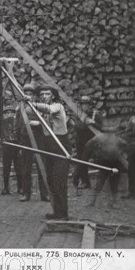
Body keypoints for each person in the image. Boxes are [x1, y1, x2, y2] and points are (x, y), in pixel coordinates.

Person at [28, 84, 71, 220]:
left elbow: (50, 110)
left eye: (47, 94)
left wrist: (31, 102)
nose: (44, 97)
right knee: (51, 181)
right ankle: (57, 212)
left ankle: (63, 214)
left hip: (60, 146)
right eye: (42, 95)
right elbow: (42, 121)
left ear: (52, 96)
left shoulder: (58, 106)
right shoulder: (43, 111)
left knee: (59, 180)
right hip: (49, 146)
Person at [16, 83, 49, 202]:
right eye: (26, 93)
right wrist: (19, 143)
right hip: (26, 139)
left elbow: (47, 121)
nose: (28, 96)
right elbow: (18, 125)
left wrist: (38, 124)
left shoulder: (40, 106)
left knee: (42, 166)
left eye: (30, 94)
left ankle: (45, 194)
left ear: (35, 96)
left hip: (40, 137)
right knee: (26, 167)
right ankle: (26, 193)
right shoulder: (20, 107)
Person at [83, 132, 128, 207]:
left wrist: (120, 152)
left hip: (115, 161)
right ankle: (93, 201)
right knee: (101, 181)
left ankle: (113, 202)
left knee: (113, 182)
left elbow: (125, 144)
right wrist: (96, 151)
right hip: (105, 161)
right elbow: (88, 144)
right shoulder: (100, 137)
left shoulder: (116, 137)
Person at [73, 95, 102, 189]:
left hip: (91, 141)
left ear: (90, 105)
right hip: (79, 141)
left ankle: (78, 179)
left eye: (86, 104)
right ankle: (85, 182)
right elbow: (78, 126)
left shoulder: (95, 114)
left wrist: (93, 122)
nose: (84, 106)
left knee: (84, 160)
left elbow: (100, 127)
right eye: (83, 104)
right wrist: (87, 121)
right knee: (80, 160)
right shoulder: (78, 114)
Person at [0, 105, 21, 195]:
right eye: (7, 113)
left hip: (16, 146)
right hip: (6, 147)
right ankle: (5, 187)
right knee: (6, 168)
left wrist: (20, 147)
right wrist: (1, 140)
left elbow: (21, 135)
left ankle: (21, 187)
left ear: (14, 113)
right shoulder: (1, 123)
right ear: (4, 114)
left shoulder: (18, 123)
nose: (9, 114)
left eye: (11, 112)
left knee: (18, 167)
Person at [120, 115, 135, 199]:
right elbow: (127, 132)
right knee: (131, 169)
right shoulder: (133, 119)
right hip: (134, 146)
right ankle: (132, 191)